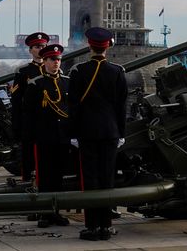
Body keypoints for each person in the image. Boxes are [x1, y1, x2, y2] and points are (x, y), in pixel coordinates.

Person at [68, 27, 128, 241]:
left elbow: (73, 106)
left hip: (86, 132)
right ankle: (106, 226)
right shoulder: (117, 71)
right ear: (108, 46)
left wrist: (73, 133)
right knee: (107, 178)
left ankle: (92, 226)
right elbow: (122, 106)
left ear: (89, 45)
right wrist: (121, 132)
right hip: (111, 132)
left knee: (90, 179)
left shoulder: (78, 71)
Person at [24, 44, 72, 228]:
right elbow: (29, 114)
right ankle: (45, 213)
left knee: (59, 177)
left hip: (63, 137)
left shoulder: (67, 82)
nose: (56, 63)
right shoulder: (36, 84)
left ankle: (56, 211)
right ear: (44, 62)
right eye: (52, 60)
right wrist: (30, 138)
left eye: (58, 60)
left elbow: (72, 110)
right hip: (44, 136)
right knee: (45, 177)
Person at [11, 31, 48, 184]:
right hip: (30, 120)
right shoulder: (23, 71)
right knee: (28, 155)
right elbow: (16, 100)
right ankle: (27, 184)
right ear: (30, 50)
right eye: (37, 47)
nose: (40, 49)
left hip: (48, 121)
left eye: (43, 46)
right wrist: (17, 124)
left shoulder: (53, 69)